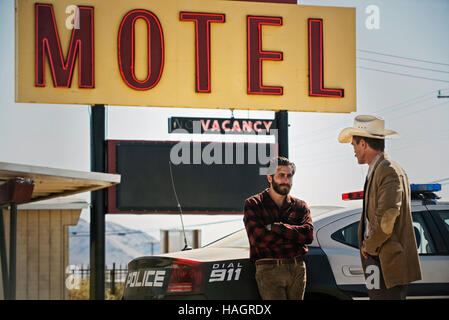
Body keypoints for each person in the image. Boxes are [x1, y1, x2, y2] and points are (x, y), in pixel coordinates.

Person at [338, 115, 422, 299]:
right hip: (377, 259)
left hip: (385, 260)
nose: (353, 151)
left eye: (353, 145)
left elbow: (388, 217)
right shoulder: (380, 169)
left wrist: (369, 247)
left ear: (363, 144)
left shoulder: (387, 169)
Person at [243, 156, 314, 300]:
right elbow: (259, 240)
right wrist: (294, 236)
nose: (286, 180)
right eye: (281, 175)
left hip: (297, 268)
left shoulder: (300, 206)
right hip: (269, 268)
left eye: (289, 176)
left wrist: (276, 227)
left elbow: (308, 236)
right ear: (269, 177)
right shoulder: (254, 204)